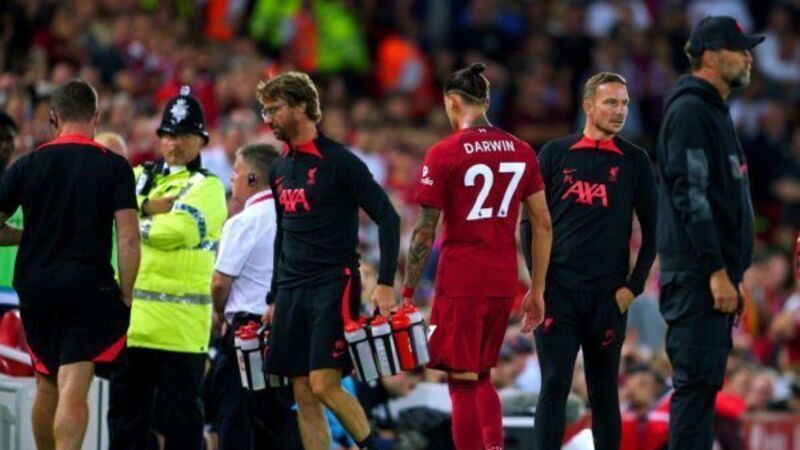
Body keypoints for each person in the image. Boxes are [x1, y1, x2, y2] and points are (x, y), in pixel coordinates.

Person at [401, 63, 552, 450]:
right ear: (486, 101)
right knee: (482, 376)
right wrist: (536, 288)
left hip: (462, 279)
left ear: (452, 101)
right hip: (503, 279)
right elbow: (542, 223)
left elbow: (425, 229)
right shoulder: (522, 150)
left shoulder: (444, 152)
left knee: (461, 381)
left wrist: (407, 291)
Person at [257, 71, 400, 450]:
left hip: (333, 284)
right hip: (291, 290)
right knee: (302, 390)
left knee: (323, 383)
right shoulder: (278, 169)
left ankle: (377, 447)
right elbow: (283, 233)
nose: (268, 119)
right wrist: (274, 296)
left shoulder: (340, 161)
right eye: (264, 111)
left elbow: (388, 217)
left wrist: (386, 283)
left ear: (301, 106)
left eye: (274, 109)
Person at [0, 79, 140, 450]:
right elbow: (129, 237)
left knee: (46, 383)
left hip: (36, 290)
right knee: (74, 386)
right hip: (88, 290)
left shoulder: (27, 165)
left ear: (53, 118)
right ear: (96, 117)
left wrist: (29, 236)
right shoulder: (114, 166)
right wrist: (127, 294)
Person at [522, 72, 657, 450]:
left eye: (625, 103)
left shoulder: (636, 161)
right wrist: (538, 283)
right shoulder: (554, 153)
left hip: (608, 297)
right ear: (588, 106)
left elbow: (653, 231)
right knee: (554, 385)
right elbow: (529, 223)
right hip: (559, 293)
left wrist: (633, 288)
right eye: (611, 102)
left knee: (604, 391)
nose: (620, 111)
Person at [656, 16, 762, 450]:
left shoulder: (712, 110)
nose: (749, 57)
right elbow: (691, 195)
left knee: (703, 387)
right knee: (695, 388)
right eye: (740, 49)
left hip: (711, 276)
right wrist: (717, 271)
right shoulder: (691, 112)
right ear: (713, 57)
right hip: (697, 276)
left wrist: (731, 275)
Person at [107, 86, 227, 450]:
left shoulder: (208, 187)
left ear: (201, 140)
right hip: (134, 326)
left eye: (185, 135)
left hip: (181, 332)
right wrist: (149, 207)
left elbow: (179, 231)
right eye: (169, 135)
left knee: (182, 427)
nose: (175, 143)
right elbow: (106, 206)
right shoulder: (138, 175)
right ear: (160, 138)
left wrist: (131, 221)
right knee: (126, 425)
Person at [209, 142, 297, 449]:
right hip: (287, 330)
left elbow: (220, 283)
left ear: (252, 178)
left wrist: (219, 311)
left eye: (236, 172)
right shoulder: (295, 219)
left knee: (235, 417)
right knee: (277, 418)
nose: (231, 178)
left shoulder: (243, 222)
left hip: (247, 333)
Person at [0, 111, 20, 317]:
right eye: (0, 139)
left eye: (9, 139)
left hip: (16, 295)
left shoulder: (23, 184)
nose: (5, 146)